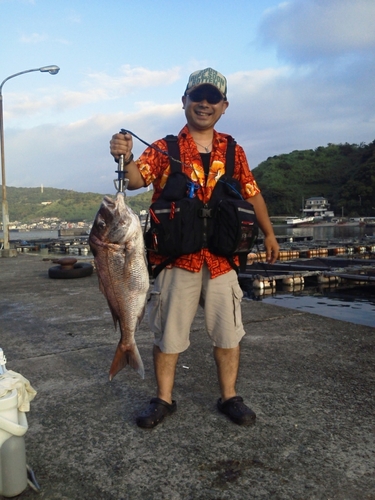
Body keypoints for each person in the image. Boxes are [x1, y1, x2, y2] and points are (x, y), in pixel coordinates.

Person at [109, 67, 279, 428]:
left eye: (212, 98)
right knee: (168, 335)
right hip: (176, 261)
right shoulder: (163, 148)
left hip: (221, 260)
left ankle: (230, 397)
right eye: (197, 97)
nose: (204, 104)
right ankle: (163, 399)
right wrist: (123, 157)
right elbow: (138, 179)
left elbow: (252, 192)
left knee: (228, 334)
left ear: (224, 105)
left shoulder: (234, 150)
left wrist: (269, 233)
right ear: (184, 101)